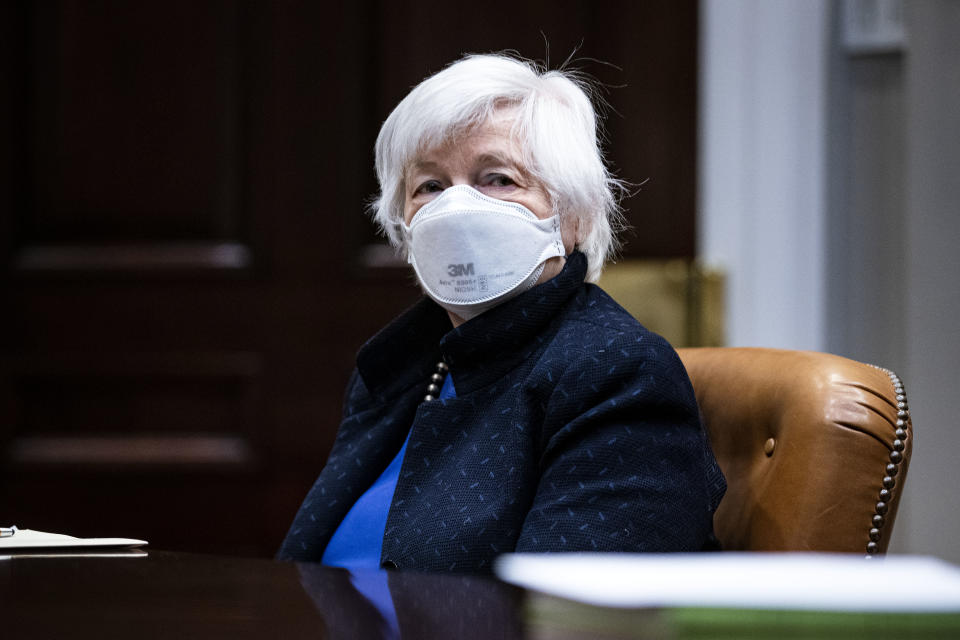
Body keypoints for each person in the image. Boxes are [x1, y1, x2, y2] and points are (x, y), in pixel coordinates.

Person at [278, 53, 725, 573]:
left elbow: (569, 618)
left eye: (498, 179)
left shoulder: (616, 374)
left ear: (574, 216)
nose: (458, 207)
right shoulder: (403, 368)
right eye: (430, 186)